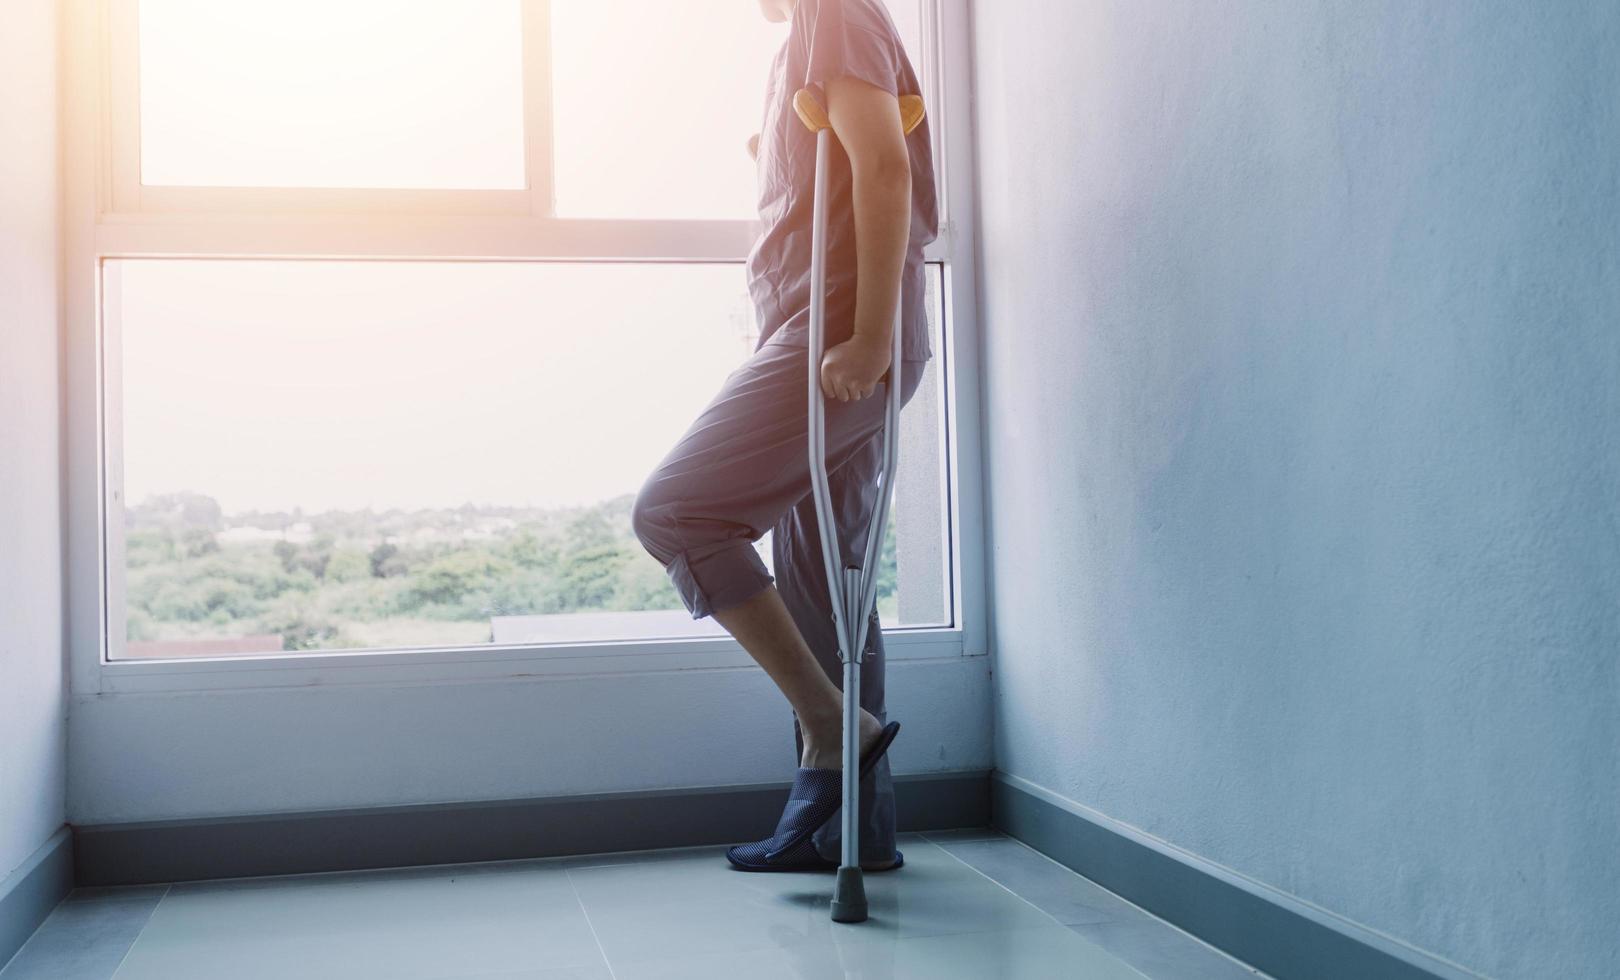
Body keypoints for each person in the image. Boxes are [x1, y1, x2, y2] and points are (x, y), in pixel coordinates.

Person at [631, 0, 938, 872]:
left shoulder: (835, 15)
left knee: (677, 511)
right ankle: (851, 836)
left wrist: (870, 336)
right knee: (825, 588)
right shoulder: (813, 39)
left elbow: (884, 168)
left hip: (837, 337)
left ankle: (833, 725)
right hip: (821, 335)